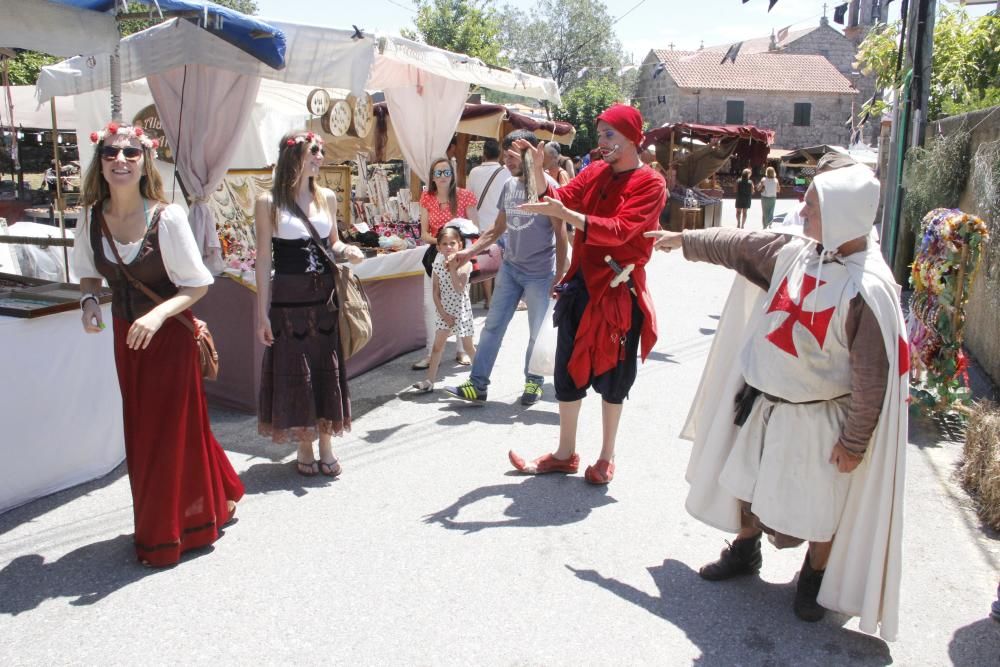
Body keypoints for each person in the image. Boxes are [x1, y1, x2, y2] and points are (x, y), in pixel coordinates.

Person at [645, 164, 908, 638]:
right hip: (763, 403)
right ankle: (746, 550)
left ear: (844, 214)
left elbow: (872, 377)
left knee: (818, 506)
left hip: (819, 418)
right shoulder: (795, 253)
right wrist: (681, 241)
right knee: (746, 485)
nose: (801, 209)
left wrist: (854, 441)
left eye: (813, 203)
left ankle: (813, 576)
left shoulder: (868, 290)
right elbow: (736, 246)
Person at [73, 121, 244, 567]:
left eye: (130, 153)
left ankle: (170, 532)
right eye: (111, 154)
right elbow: (89, 271)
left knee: (173, 430)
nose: (121, 161)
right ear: (101, 163)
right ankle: (217, 493)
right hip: (126, 339)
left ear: (145, 159)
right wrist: (91, 300)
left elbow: (197, 285)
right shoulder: (90, 216)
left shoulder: (166, 217)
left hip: (168, 338)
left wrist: (156, 313)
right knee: (144, 430)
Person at [507, 104, 666, 484]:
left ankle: (606, 457)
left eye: (610, 135)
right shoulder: (595, 170)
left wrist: (569, 216)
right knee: (566, 370)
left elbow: (621, 229)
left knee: (615, 378)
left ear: (632, 138)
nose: (602, 143)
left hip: (618, 291)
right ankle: (565, 453)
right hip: (581, 286)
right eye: (600, 136)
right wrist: (534, 167)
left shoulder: (651, 184)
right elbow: (562, 194)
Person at [255, 130, 365, 477]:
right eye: (313, 151)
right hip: (288, 299)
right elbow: (262, 259)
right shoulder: (268, 202)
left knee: (324, 369)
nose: (320, 156)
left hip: (325, 298)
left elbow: (332, 242)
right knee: (296, 374)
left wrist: (346, 250)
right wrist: (262, 314)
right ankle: (304, 444)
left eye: (320, 151)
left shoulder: (327, 197)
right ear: (294, 155)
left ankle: (327, 443)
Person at [443, 129, 569, 407]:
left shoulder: (548, 188)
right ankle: (478, 385)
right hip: (511, 270)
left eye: (511, 156)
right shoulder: (509, 187)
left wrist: (560, 274)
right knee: (492, 327)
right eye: (505, 156)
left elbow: (561, 234)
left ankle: (533, 382)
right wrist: (469, 251)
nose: (506, 162)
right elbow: (497, 229)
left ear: (529, 155)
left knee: (537, 333)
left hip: (541, 273)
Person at [412, 157, 478, 370]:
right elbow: (423, 233)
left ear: (452, 174)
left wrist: (456, 248)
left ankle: (461, 349)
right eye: (438, 173)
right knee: (429, 304)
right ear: (432, 177)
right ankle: (431, 353)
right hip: (435, 257)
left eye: (446, 172)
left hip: (459, 259)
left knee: (460, 304)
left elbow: (474, 229)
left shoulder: (465, 196)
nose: (442, 176)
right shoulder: (426, 198)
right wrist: (441, 243)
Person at [412, 226, 477, 393]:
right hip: (444, 312)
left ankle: (479, 378)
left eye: (452, 243)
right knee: (437, 347)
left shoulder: (465, 263)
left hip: (460, 311)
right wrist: (443, 313)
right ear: (438, 247)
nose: (449, 247)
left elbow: (459, 288)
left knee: (469, 347)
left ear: (460, 245)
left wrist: (454, 268)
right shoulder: (437, 262)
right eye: (445, 244)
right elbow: (435, 291)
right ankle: (429, 381)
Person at [466, 139, 511, 309]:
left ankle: (489, 299)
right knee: (505, 264)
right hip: (502, 225)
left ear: (483, 153)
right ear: (499, 154)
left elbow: (469, 198)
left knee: (487, 263)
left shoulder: (474, 172)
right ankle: (502, 299)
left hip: (482, 226)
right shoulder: (506, 172)